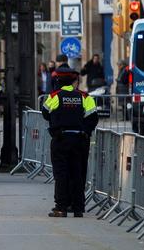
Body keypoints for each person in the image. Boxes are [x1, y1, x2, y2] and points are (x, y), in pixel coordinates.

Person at [41, 68, 98, 218]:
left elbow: (45, 113)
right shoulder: (84, 96)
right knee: (78, 173)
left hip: (61, 139)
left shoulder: (54, 96)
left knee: (61, 174)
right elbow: (93, 118)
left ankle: (61, 207)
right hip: (80, 141)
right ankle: (78, 208)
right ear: (73, 81)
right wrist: (85, 132)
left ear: (58, 81)